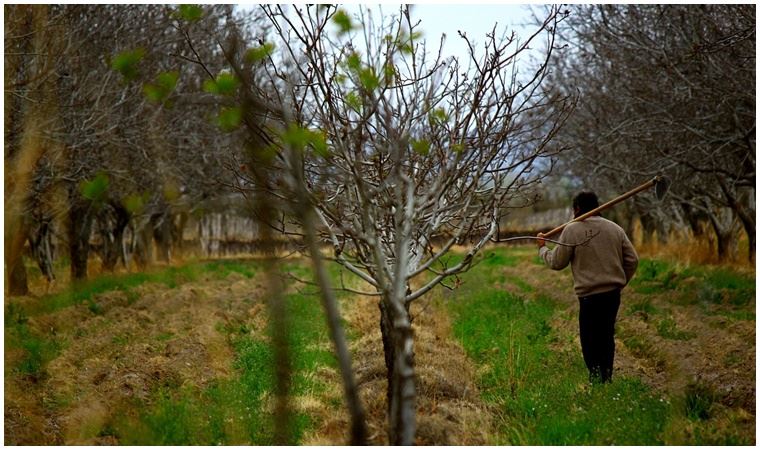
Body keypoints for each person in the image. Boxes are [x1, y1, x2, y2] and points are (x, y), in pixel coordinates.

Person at [536, 191, 638, 384]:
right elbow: (633, 260)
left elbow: (557, 263)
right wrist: (620, 281)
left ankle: (595, 378)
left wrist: (542, 248)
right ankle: (606, 378)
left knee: (589, 338)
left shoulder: (572, 230)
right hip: (612, 294)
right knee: (606, 335)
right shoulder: (615, 229)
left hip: (589, 296)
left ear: (576, 209)